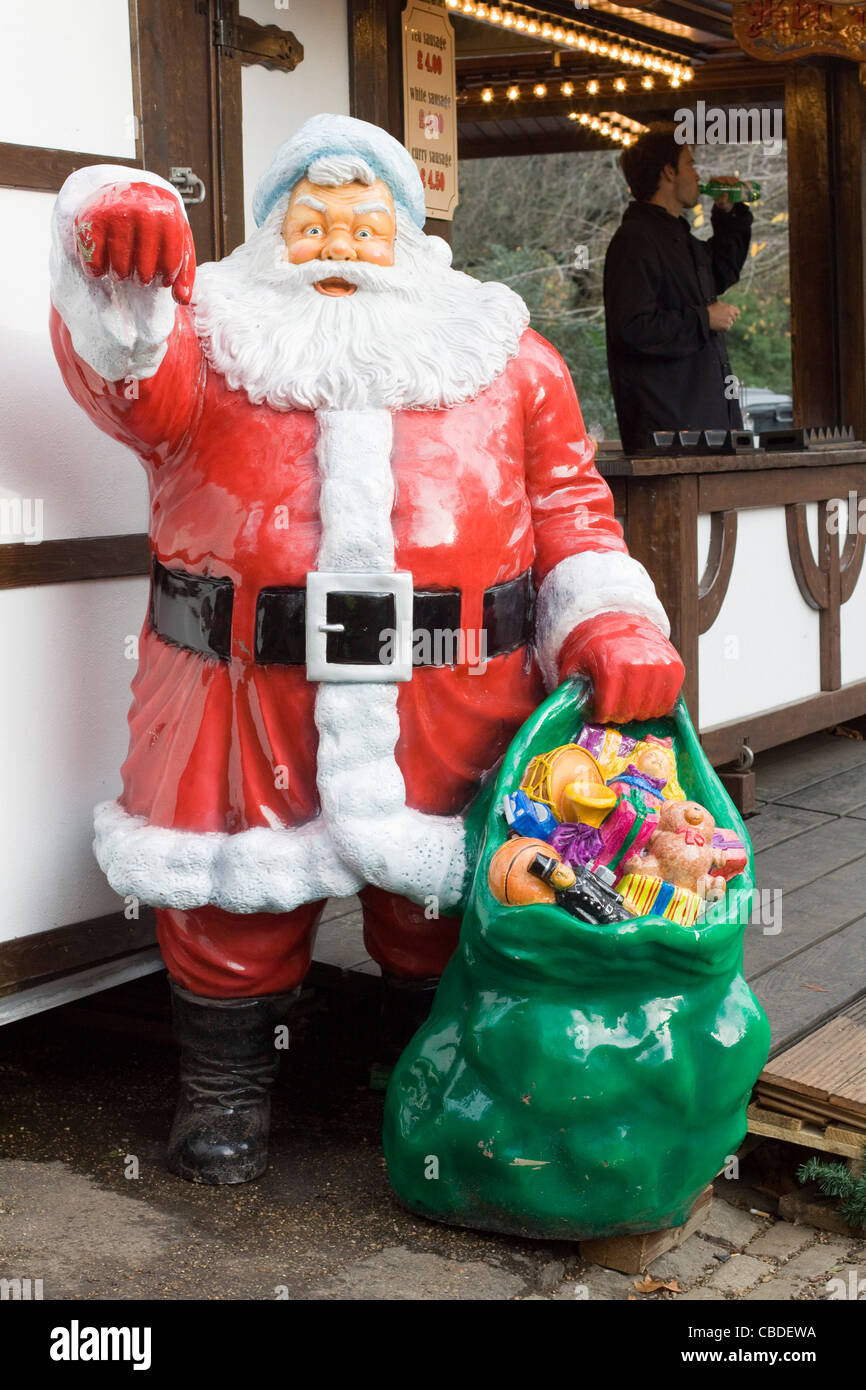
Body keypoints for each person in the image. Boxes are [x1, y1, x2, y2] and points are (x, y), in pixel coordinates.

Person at [49, 114, 684, 1185]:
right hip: (238, 689)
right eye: (308, 218)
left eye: (359, 217)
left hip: (459, 684)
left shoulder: (509, 358)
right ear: (264, 236)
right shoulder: (203, 349)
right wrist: (106, 238)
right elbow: (117, 365)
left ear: (407, 234)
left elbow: (573, 512)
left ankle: (423, 1069)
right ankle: (225, 1094)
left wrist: (609, 619)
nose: (335, 239)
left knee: (439, 903)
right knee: (222, 903)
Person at [603, 122, 753, 454]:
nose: (698, 176)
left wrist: (729, 214)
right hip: (669, 433)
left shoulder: (675, 236)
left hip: (700, 424)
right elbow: (632, 329)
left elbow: (720, 271)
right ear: (669, 172)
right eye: (690, 164)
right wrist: (703, 319)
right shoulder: (635, 241)